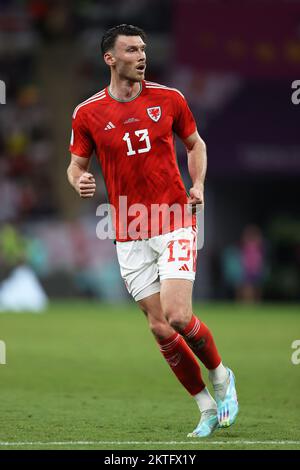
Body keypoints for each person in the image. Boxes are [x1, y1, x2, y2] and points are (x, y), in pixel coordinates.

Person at [67, 24, 238, 437]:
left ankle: (220, 375)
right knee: (159, 326)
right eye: (131, 50)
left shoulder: (169, 99)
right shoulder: (87, 113)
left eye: (143, 49)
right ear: (110, 58)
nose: (141, 56)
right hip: (127, 226)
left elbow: (196, 144)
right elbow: (75, 166)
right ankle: (205, 407)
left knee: (179, 315)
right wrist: (79, 180)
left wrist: (197, 184)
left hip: (174, 217)